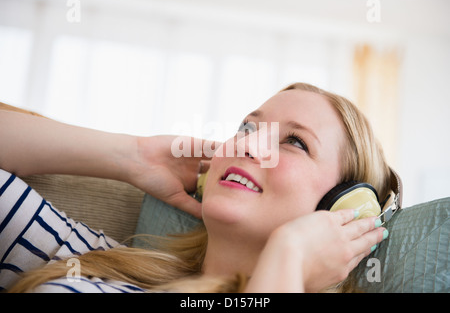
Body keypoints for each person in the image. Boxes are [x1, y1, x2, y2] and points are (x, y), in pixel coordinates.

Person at [0, 82, 390, 293]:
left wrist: (289, 258)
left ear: (346, 208)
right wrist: (133, 155)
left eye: (295, 142)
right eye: (248, 128)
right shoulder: (98, 260)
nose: (246, 145)